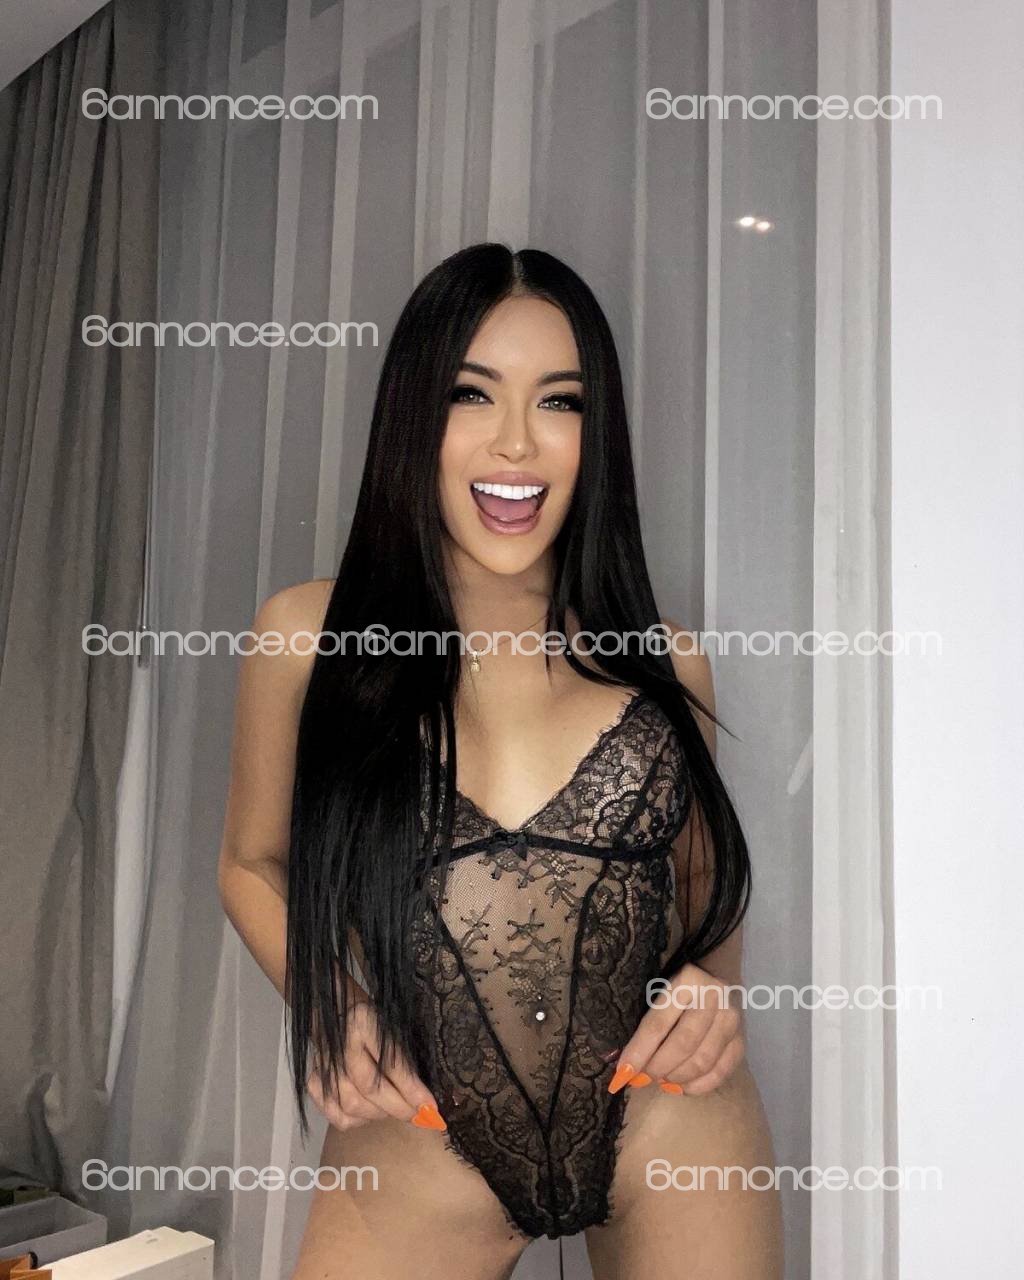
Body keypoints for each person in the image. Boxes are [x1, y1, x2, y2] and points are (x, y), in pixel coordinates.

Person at [218, 244, 783, 1279]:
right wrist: (333, 1005)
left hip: (673, 1127)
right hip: (419, 1133)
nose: (517, 441)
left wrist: (712, 988)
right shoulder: (307, 637)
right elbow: (250, 862)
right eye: (470, 393)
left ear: (595, 434)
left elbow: (707, 893)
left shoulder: (664, 660)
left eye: (560, 401)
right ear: (412, 416)